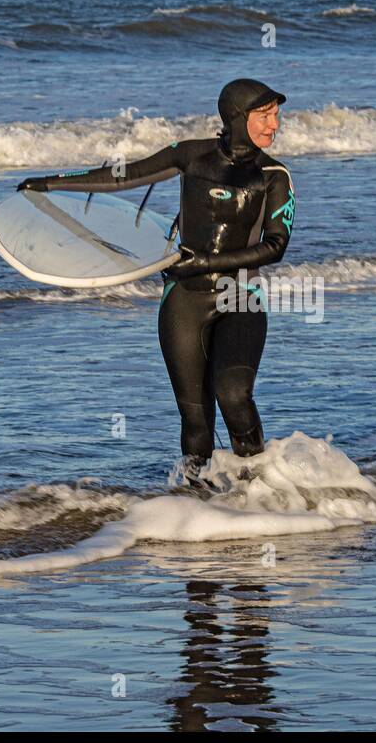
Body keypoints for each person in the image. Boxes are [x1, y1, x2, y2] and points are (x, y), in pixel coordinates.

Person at [18, 79, 295, 476]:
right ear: (237, 116)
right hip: (183, 300)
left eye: (276, 116)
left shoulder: (273, 175)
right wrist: (48, 184)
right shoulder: (190, 155)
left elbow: (275, 246)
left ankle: (261, 492)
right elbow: (123, 175)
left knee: (233, 395)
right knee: (195, 421)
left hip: (241, 296)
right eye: (265, 116)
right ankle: (196, 500)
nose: (275, 125)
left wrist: (201, 263)